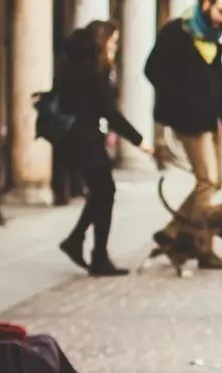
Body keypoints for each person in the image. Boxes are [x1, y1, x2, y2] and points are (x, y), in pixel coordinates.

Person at [144, 0, 222, 267]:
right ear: (206, 5)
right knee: (207, 181)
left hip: (212, 120)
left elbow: (218, 79)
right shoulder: (177, 32)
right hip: (189, 121)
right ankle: (195, 244)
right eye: (221, 11)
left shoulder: (212, 38)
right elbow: (153, 70)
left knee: (214, 182)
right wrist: (181, 102)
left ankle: (175, 232)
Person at [56, 21, 153, 276]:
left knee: (102, 192)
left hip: (79, 138)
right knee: (105, 191)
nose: (115, 47)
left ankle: (79, 242)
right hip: (86, 139)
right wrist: (139, 139)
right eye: (113, 42)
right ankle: (96, 255)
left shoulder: (73, 64)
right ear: (102, 41)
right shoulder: (94, 69)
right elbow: (108, 111)